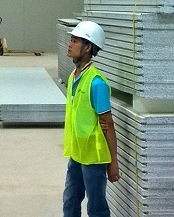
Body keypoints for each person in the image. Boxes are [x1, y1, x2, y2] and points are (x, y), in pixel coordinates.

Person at [63, 21, 118, 217]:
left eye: (75, 41)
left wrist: (113, 162)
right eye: (71, 40)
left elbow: (108, 124)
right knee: (70, 200)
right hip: (77, 152)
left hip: (94, 157)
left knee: (96, 207)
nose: (70, 44)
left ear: (87, 48)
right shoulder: (73, 76)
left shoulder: (97, 83)